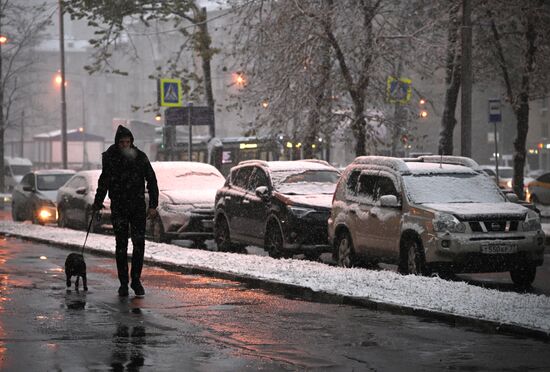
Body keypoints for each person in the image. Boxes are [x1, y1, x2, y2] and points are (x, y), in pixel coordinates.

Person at [93, 125, 159, 297]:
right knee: (121, 245)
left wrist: (153, 205)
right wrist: (97, 203)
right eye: (122, 142)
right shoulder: (110, 158)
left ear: (131, 142)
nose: (125, 145)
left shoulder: (140, 157)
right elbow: (103, 182)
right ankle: (123, 283)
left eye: (127, 142)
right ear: (117, 142)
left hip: (137, 206)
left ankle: (136, 280)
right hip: (119, 207)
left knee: (139, 244)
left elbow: (152, 181)